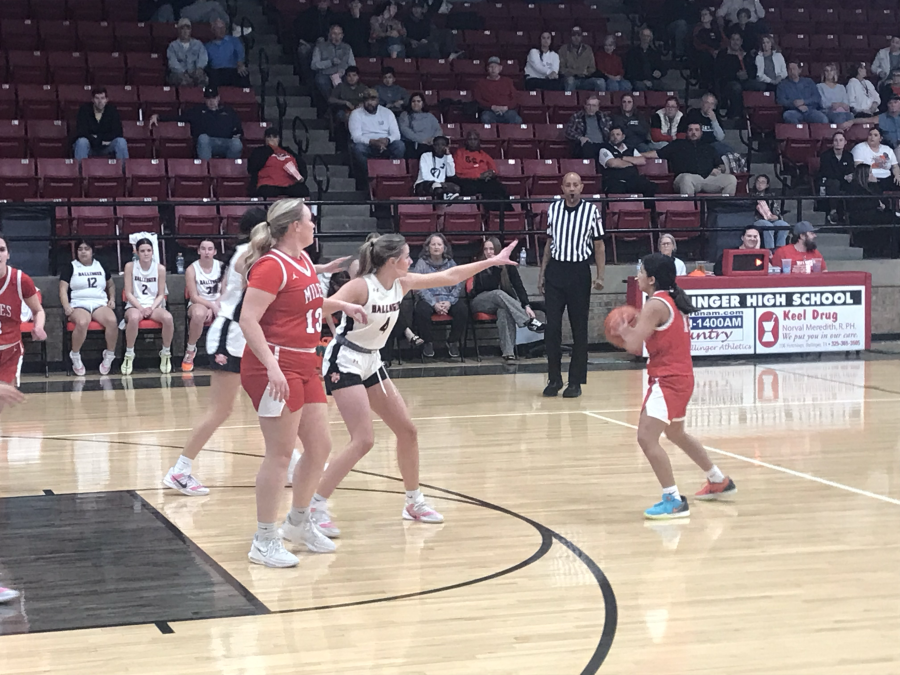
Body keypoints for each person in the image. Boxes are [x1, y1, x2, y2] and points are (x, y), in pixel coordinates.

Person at [313, 234, 518, 538]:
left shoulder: (402, 282)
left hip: (372, 360)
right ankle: (314, 506)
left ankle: (413, 502)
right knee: (363, 439)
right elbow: (319, 306)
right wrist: (344, 306)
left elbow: (449, 275)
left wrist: (491, 261)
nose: (411, 261)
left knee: (407, 431)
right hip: (345, 359)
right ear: (393, 262)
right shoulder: (361, 286)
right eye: (407, 257)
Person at [164, 207, 348, 497]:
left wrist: (322, 271)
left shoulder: (275, 256)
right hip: (233, 335)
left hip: (251, 339)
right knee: (221, 409)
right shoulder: (249, 255)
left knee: (276, 410)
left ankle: (291, 463)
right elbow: (255, 282)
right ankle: (180, 469)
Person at [238, 199, 367, 567]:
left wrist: (341, 306)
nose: (315, 225)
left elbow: (307, 305)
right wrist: (272, 368)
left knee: (320, 446)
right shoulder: (269, 266)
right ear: (294, 225)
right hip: (274, 364)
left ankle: (297, 523)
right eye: (310, 220)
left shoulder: (304, 261)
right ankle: (263, 539)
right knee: (279, 454)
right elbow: (248, 320)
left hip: (305, 360)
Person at [611, 252, 736, 519]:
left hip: (669, 380)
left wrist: (620, 329)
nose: (637, 276)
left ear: (653, 278)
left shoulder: (656, 305)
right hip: (680, 377)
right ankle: (718, 480)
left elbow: (633, 346)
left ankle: (673, 500)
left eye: (641, 271)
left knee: (646, 437)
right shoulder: (670, 299)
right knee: (676, 433)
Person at [538, 173, 605, 399]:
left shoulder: (591, 211)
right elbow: (549, 243)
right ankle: (554, 379)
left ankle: (575, 381)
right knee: (552, 328)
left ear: (582, 187)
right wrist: (542, 273)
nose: (572, 188)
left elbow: (599, 245)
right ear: (562, 188)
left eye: (576, 185)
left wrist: (600, 275)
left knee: (579, 329)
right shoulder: (554, 209)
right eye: (568, 185)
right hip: (556, 270)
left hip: (579, 271)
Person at [469, 237, 544, 361]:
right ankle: (529, 321)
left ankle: (508, 353)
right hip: (480, 301)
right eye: (486, 249)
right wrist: (495, 268)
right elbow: (486, 287)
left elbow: (518, 286)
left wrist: (527, 305)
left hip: (502, 303)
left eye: (492, 249)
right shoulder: (480, 265)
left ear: (498, 250)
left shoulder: (507, 265)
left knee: (504, 312)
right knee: (498, 293)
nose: (489, 252)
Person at [59, 240, 117, 376]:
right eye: (80, 249)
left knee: (112, 321)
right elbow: (62, 289)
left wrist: (112, 299)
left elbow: (111, 285)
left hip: (99, 302)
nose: (83, 251)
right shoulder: (71, 267)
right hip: (79, 303)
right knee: (82, 322)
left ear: (92, 251)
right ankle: (75, 355)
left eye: (86, 248)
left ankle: (109, 355)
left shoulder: (101, 265)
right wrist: (66, 306)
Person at [122, 238, 174, 375]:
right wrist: (141, 308)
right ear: (137, 252)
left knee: (168, 318)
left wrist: (151, 308)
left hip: (153, 305)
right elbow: (128, 293)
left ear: (153, 252)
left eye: (149, 250)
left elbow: (161, 294)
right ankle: (129, 354)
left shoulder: (160, 269)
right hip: (135, 304)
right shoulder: (130, 266)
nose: (146, 253)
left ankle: (166, 353)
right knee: (133, 317)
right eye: (143, 251)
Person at [411, 233, 467, 358]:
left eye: (439, 244)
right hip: (428, 299)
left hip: (448, 298)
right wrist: (434, 303)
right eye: (433, 244)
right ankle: (428, 342)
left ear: (444, 248)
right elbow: (419, 286)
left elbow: (458, 284)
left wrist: (449, 302)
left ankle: (452, 341)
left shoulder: (451, 263)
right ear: (428, 247)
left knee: (462, 309)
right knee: (421, 311)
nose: (436, 247)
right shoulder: (422, 263)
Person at [148, 86, 242, 160]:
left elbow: (238, 128)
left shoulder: (229, 111)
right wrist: (159, 116)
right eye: (208, 98)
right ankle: (206, 170)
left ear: (218, 98)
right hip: (206, 142)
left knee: (237, 143)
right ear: (205, 99)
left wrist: (237, 135)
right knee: (203, 138)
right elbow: (178, 118)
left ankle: (230, 169)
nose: (211, 101)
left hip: (225, 142)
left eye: (213, 98)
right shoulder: (197, 111)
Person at [644, 122, 737, 195]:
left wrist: (718, 169)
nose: (694, 133)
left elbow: (721, 165)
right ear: (687, 132)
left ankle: (723, 210)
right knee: (686, 178)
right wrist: (638, 155)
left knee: (731, 179)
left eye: (696, 130)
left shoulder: (709, 147)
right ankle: (689, 211)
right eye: (691, 130)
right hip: (687, 178)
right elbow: (657, 153)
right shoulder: (678, 144)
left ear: (701, 133)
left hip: (707, 178)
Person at [181, 239, 223, 373]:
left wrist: (214, 306)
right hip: (198, 303)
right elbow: (193, 296)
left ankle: (222, 351)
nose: (207, 252)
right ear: (199, 251)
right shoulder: (191, 269)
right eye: (203, 249)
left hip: (218, 302)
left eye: (210, 249)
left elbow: (225, 292)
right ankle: (190, 350)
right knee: (199, 314)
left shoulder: (222, 267)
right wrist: (210, 306)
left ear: (215, 252)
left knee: (234, 313)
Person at [348, 88, 405, 180]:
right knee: (358, 148)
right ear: (363, 101)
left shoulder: (387, 112)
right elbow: (356, 137)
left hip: (386, 144)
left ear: (378, 100)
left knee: (400, 146)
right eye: (367, 100)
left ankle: (390, 173)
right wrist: (373, 142)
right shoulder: (356, 114)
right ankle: (371, 175)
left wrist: (387, 140)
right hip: (368, 144)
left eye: (373, 100)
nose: (370, 103)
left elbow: (396, 134)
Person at [452, 130, 511, 209]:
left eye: (475, 139)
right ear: (466, 141)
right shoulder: (460, 153)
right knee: (487, 190)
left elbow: (494, 170)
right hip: (468, 181)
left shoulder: (484, 155)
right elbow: (458, 172)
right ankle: (493, 215)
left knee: (500, 189)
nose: (472, 142)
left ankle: (507, 214)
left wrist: (491, 173)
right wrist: (478, 175)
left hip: (484, 181)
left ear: (479, 141)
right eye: (470, 139)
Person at [248, 127, 310, 199]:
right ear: (265, 139)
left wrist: (301, 177)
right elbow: (252, 167)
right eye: (269, 137)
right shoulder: (259, 151)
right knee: (267, 191)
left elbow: (301, 164)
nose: (271, 139)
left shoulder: (287, 151)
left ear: (279, 139)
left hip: (289, 185)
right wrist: (269, 149)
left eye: (274, 137)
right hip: (269, 185)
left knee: (303, 190)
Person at [597, 125, 656, 197]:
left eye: (618, 134)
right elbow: (612, 163)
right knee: (616, 189)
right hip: (614, 181)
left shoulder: (631, 149)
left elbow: (642, 160)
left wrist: (623, 158)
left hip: (632, 180)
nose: (615, 137)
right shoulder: (604, 149)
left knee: (650, 186)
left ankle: (649, 208)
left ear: (623, 136)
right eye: (612, 135)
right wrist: (632, 162)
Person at [73, 87, 128, 162]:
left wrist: (99, 138)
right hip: (90, 146)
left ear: (106, 100)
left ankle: (124, 170)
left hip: (106, 147)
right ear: (92, 100)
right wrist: (94, 140)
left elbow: (117, 132)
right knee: (81, 142)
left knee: (121, 142)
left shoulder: (112, 111)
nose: (100, 101)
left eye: (102, 98)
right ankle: (79, 171)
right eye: (97, 98)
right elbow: (81, 131)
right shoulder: (84, 110)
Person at [715, 31, 762, 118]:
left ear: (741, 41)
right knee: (736, 88)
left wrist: (747, 75)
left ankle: (756, 115)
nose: (735, 42)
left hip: (745, 80)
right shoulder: (723, 54)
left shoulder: (746, 55)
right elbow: (719, 71)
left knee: (759, 85)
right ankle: (735, 114)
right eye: (733, 39)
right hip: (728, 82)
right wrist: (736, 75)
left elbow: (752, 69)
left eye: (737, 40)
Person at [310, 25, 357, 104]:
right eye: (334, 34)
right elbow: (314, 65)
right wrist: (330, 62)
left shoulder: (347, 47)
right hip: (325, 74)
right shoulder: (320, 47)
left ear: (342, 35)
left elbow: (352, 65)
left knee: (352, 80)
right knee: (321, 81)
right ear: (329, 35)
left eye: (339, 34)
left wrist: (344, 71)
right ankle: (334, 102)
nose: (337, 37)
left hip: (342, 74)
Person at [677, 92, 733, 157]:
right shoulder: (693, 113)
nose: (709, 106)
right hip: (697, 144)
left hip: (712, 144)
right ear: (702, 104)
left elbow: (720, 137)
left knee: (728, 150)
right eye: (707, 103)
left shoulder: (715, 116)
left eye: (712, 104)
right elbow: (684, 130)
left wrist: (714, 121)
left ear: (714, 107)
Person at [296, 0, 340, 78]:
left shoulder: (334, 16)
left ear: (329, 3)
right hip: (310, 42)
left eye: (325, 1)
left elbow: (337, 32)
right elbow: (300, 30)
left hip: (327, 43)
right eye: (321, 1)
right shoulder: (308, 14)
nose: (323, 3)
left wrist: (326, 39)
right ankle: (306, 77)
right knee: (303, 50)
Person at [818, 131, 855, 224]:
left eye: (841, 140)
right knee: (834, 183)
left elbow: (850, 170)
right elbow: (827, 173)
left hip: (845, 182)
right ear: (832, 142)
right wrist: (844, 176)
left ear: (845, 142)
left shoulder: (849, 156)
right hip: (829, 182)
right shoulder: (825, 156)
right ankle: (833, 211)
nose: (838, 142)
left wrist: (850, 176)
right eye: (836, 140)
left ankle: (853, 213)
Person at [473, 57, 522, 124]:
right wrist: (491, 107)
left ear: (500, 68)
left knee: (517, 119)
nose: (493, 69)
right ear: (487, 68)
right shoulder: (480, 83)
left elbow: (515, 98)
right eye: (491, 67)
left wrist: (506, 107)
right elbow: (478, 99)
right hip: (490, 111)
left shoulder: (508, 81)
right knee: (485, 118)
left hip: (507, 111)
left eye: (496, 67)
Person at [850, 126, 900, 192]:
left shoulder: (887, 149)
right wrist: (870, 177)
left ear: (880, 138)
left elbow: (895, 166)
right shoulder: (859, 148)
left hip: (887, 178)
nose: (872, 137)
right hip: (868, 179)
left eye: (875, 135)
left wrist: (897, 175)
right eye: (870, 135)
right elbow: (859, 167)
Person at [564, 96, 612, 161]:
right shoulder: (577, 116)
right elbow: (568, 131)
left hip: (603, 144)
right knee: (587, 149)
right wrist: (580, 138)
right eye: (588, 105)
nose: (591, 108)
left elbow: (611, 130)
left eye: (594, 105)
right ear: (585, 106)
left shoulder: (603, 116)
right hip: (586, 145)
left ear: (598, 107)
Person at [558, 26, 605, 93]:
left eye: (578, 35)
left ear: (581, 37)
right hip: (569, 79)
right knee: (570, 81)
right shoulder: (563, 49)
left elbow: (592, 68)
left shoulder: (588, 49)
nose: (576, 37)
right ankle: (569, 102)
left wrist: (586, 73)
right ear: (570, 37)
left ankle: (598, 102)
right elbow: (561, 69)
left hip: (585, 79)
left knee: (600, 82)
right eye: (574, 35)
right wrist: (577, 72)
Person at [205, 17, 249, 88]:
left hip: (232, 70)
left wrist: (240, 63)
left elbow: (240, 53)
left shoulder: (234, 41)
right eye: (219, 28)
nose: (221, 30)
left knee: (243, 73)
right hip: (216, 72)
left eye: (223, 28)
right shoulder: (208, 46)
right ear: (213, 30)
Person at [749, 174, 789, 249]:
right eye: (758, 182)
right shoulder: (751, 196)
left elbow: (777, 210)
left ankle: (780, 249)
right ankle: (769, 250)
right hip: (757, 220)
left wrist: (776, 217)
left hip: (771, 219)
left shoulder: (771, 196)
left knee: (784, 225)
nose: (760, 184)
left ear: (767, 185)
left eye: (763, 182)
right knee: (768, 226)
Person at [398, 92, 442, 159]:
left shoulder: (430, 116)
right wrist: (421, 140)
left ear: (423, 103)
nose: (416, 103)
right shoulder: (405, 115)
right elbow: (405, 130)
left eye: (418, 101)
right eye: (413, 101)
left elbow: (438, 130)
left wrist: (433, 139)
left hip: (430, 144)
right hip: (414, 144)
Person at [167, 18, 209, 87]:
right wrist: (183, 73)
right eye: (182, 28)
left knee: (203, 79)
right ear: (178, 30)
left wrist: (199, 68)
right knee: (183, 81)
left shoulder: (198, 44)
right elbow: (172, 63)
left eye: (188, 28)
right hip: (179, 74)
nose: (185, 31)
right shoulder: (172, 46)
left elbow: (203, 58)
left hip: (195, 72)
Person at [692, 7, 723, 91]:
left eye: (705, 14)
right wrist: (711, 50)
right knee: (705, 57)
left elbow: (724, 41)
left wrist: (719, 50)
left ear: (711, 17)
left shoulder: (716, 29)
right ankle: (706, 82)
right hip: (703, 54)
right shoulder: (697, 29)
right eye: (702, 15)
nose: (703, 16)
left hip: (717, 52)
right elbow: (697, 44)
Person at [625, 27, 665, 92]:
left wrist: (660, 72)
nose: (645, 38)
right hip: (638, 79)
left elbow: (662, 67)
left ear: (651, 38)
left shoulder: (654, 53)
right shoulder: (632, 52)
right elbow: (630, 70)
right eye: (644, 35)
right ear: (640, 36)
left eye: (648, 36)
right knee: (640, 86)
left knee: (662, 85)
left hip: (652, 79)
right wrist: (643, 80)